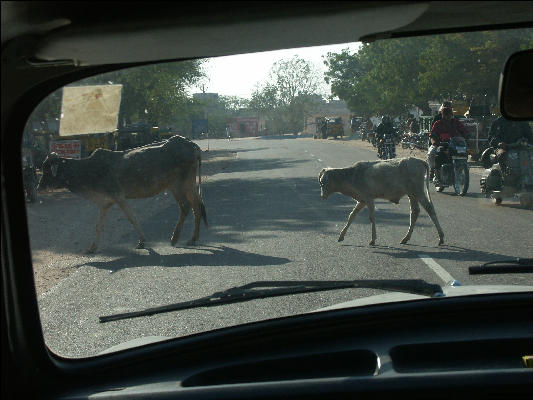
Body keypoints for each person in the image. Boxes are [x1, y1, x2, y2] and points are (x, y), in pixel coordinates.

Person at [427, 106, 468, 183]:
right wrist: (434, 142)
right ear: (442, 115)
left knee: (464, 153)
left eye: (449, 114)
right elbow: (432, 135)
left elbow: (464, 131)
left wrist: (467, 137)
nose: (447, 116)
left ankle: (462, 169)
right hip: (442, 145)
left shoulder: (456, 122)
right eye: (445, 114)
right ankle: (434, 172)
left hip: (455, 145)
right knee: (433, 154)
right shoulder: (438, 123)